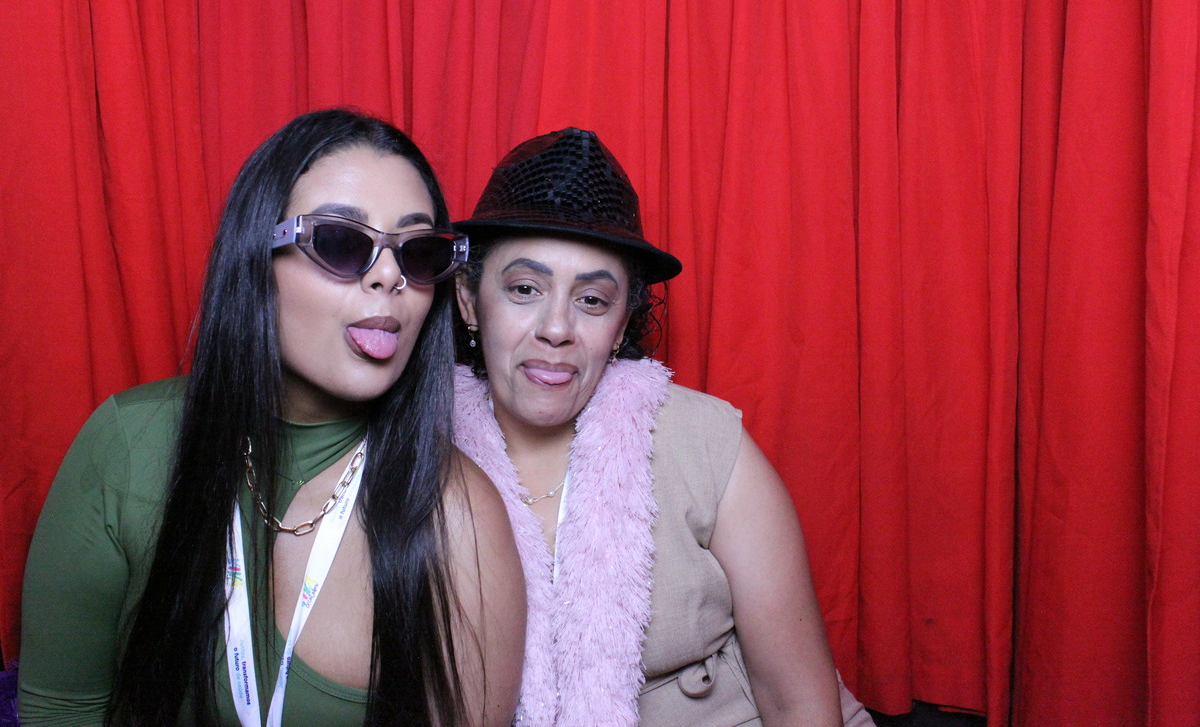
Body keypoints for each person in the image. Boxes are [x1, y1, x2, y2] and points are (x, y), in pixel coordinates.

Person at [19, 109, 526, 726]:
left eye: (417, 253)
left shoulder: (461, 517)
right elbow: (61, 710)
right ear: (256, 258)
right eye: (341, 243)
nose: (390, 277)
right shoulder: (129, 447)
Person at [451, 127, 870, 727]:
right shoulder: (412, 454)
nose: (556, 329)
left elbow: (799, 702)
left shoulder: (706, 442)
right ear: (469, 300)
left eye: (592, 300)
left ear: (622, 324)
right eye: (524, 289)